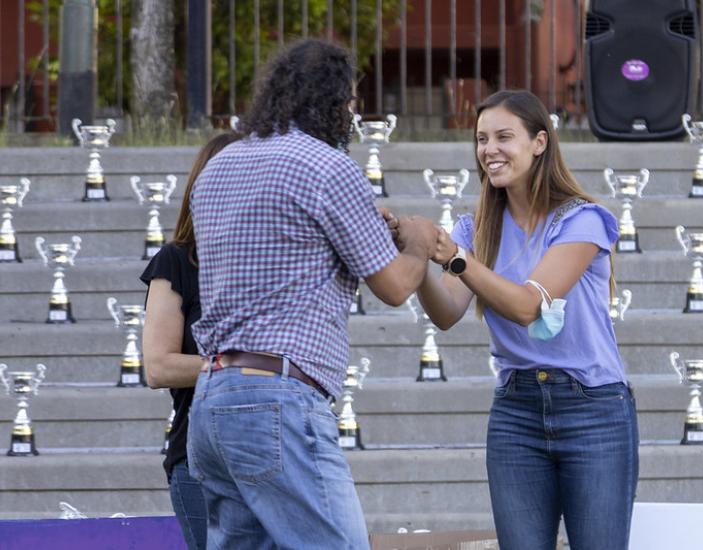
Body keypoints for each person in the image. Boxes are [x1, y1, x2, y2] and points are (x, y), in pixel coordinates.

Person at [187, 38, 438, 549]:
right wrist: (416, 242)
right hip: (278, 397)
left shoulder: (219, 166)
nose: (354, 112)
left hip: (212, 398)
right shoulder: (328, 167)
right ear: (330, 100)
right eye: (350, 100)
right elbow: (393, 286)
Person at [412, 90, 639, 550]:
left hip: (593, 408)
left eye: (503, 137)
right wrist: (415, 260)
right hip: (516, 411)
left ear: (539, 142)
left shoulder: (583, 220)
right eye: (481, 139)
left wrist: (454, 258)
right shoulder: (473, 229)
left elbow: (526, 306)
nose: (488, 149)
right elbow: (447, 313)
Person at [140, 131, 243, 550]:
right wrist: (236, 367)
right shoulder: (176, 260)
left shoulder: (273, 260)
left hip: (276, 451)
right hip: (199, 457)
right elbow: (158, 366)